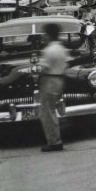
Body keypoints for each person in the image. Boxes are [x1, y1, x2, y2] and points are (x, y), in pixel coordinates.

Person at [38, 23, 69, 152]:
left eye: (44, 33)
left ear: (49, 34)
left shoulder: (49, 50)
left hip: (50, 79)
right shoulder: (61, 48)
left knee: (47, 112)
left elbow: (43, 67)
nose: (43, 36)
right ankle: (55, 138)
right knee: (51, 110)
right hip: (59, 79)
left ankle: (54, 141)